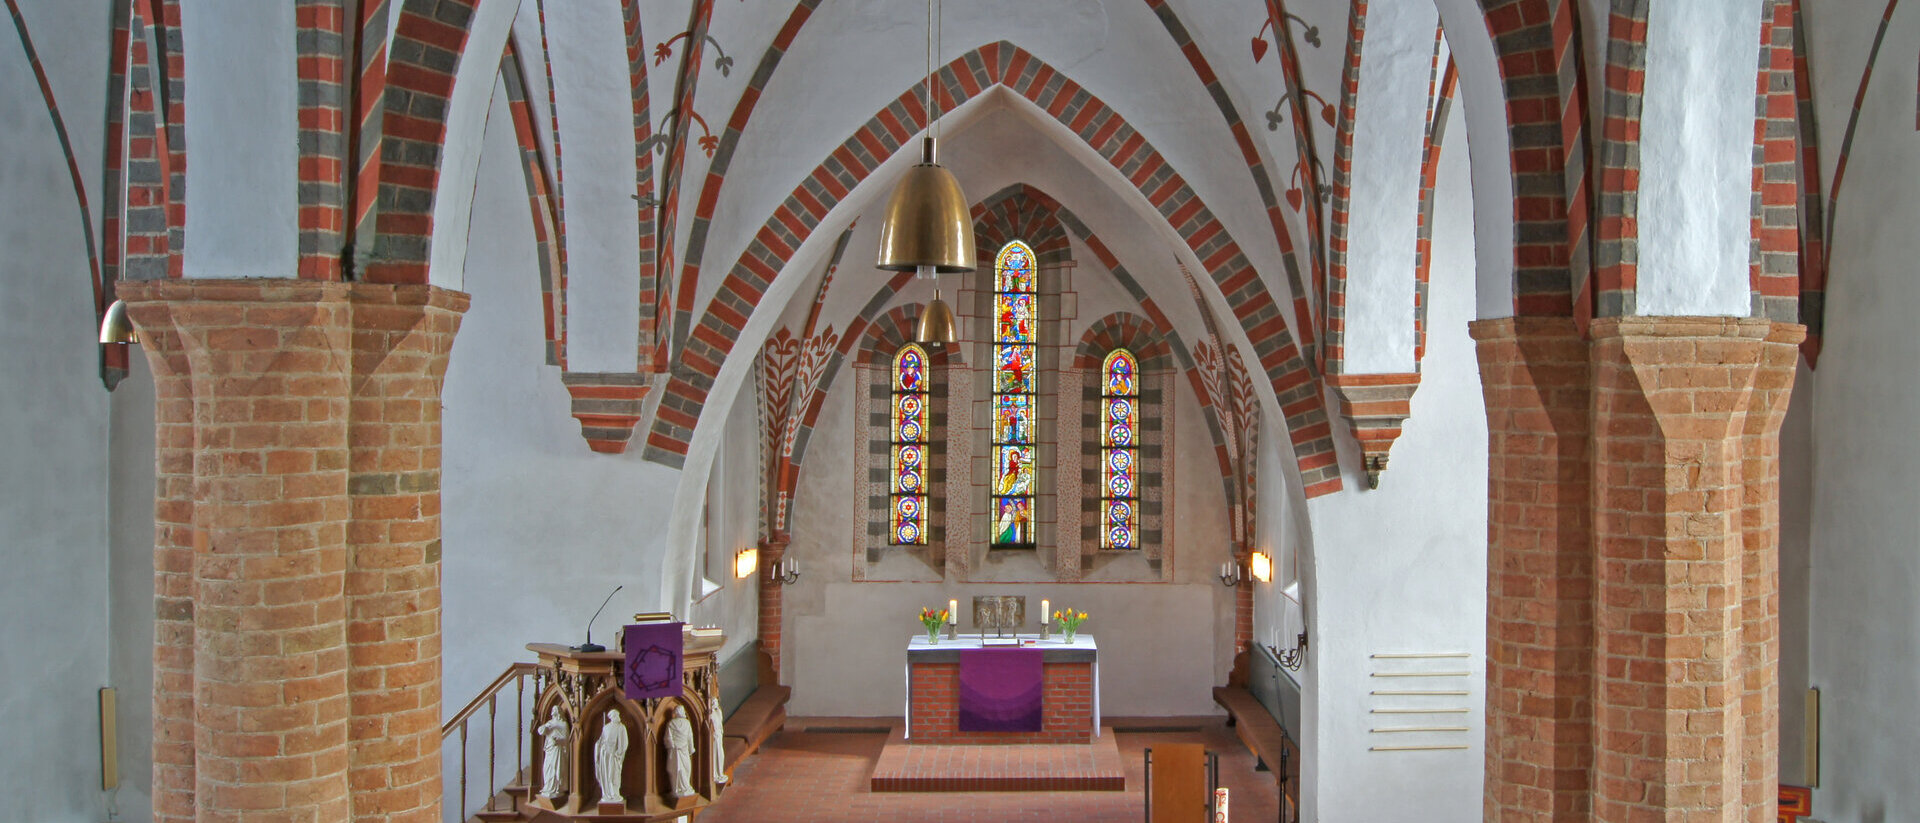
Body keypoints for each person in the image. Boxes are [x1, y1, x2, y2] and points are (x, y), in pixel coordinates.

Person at [594, 710, 629, 803]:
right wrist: (599, 745)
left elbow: (624, 742)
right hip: (605, 754)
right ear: (611, 717)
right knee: (605, 774)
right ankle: (606, 793)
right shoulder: (606, 727)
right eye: (615, 715)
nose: (617, 717)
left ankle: (615, 793)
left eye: (617, 715)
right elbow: (601, 739)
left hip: (614, 756)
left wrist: (618, 753)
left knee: (613, 775)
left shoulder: (621, 727)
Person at [536, 707, 570, 800]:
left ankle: (557, 788)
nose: (554, 711)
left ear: (559, 712)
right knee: (548, 767)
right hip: (550, 749)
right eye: (553, 710)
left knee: (557, 768)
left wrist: (559, 740)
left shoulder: (563, 724)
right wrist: (544, 728)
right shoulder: (550, 723)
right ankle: (548, 787)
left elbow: (567, 739)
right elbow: (540, 731)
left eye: (556, 710)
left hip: (558, 749)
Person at [664, 704, 696, 798]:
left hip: (676, 750)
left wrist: (673, 745)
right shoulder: (686, 723)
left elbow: (668, 738)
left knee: (678, 769)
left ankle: (679, 788)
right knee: (682, 768)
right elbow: (690, 738)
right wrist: (691, 748)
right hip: (682, 750)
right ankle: (679, 788)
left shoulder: (671, 723)